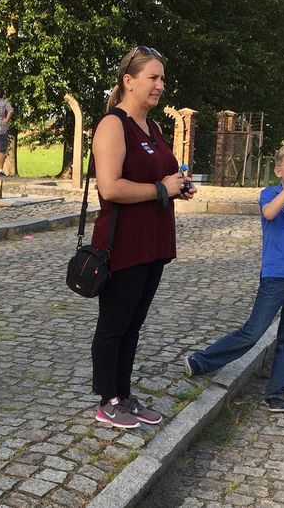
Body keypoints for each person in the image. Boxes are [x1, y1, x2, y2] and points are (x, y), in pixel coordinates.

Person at [183, 144, 284, 413]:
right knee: (252, 332)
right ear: (278, 170)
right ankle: (202, 361)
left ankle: (276, 393)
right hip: (275, 277)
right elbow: (269, 213)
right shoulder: (269, 193)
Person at [91, 46, 196, 429]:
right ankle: (107, 400)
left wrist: (176, 187)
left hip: (153, 242)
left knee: (133, 325)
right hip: (123, 242)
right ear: (128, 81)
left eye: (162, 78)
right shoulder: (112, 125)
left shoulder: (152, 127)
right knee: (114, 325)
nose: (160, 85)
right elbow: (111, 187)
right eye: (152, 77)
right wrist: (161, 189)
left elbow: (161, 179)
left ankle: (125, 394)